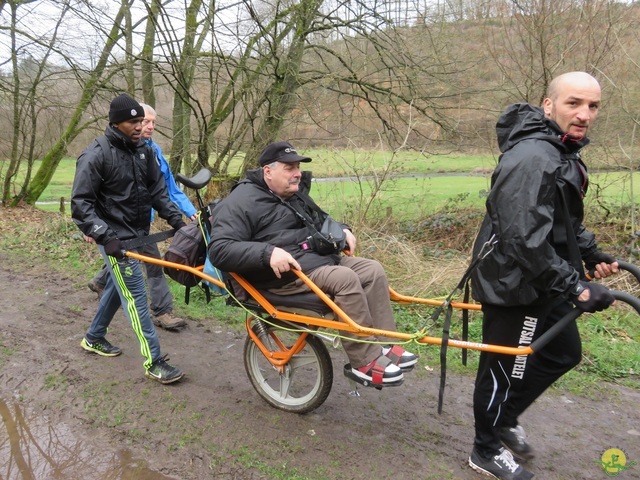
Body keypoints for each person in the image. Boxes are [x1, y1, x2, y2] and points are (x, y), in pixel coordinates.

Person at [468, 72, 618, 479]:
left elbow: (557, 220)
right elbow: (522, 238)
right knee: (502, 369)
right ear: (548, 105)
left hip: (542, 278)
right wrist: (576, 287)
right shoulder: (534, 156)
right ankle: (484, 450)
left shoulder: (559, 151)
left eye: (593, 106)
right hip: (512, 284)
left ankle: (503, 419)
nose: (585, 114)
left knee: (562, 352)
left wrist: (590, 253)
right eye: (574, 103)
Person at [209, 141, 417, 387]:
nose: (297, 173)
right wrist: (267, 252)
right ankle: (364, 362)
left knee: (372, 270)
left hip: (316, 260)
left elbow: (319, 220)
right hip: (282, 277)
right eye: (289, 168)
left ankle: (383, 343)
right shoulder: (240, 202)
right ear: (268, 171)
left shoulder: (292, 194)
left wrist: (342, 229)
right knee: (345, 278)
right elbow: (220, 250)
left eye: (297, 167)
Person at [71, 93, 186, 384]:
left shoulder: (144, 152)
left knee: (115, 288)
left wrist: (176, 220)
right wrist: (103, 236)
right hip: (114, 239)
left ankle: (94, 338)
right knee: (135, 296)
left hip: (139, 233)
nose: (140, 127)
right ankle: (154, 362)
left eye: (142, 122)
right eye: (133, 122)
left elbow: (158, 192)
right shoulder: (96, 154)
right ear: (116, 123)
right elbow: (81, 205)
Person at [86, 103, 198, 331]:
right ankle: (159, 315)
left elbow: (166, 189)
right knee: (136, 269)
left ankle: (99, 304)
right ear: (126, 123)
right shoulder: (104, 152)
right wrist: (91, 228)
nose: (148, 127)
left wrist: (185, 215)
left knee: (134, 265)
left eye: (152, 123)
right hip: (113, 226)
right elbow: (92, 194)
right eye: (143, 121)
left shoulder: (152, 152)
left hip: (140, 225)